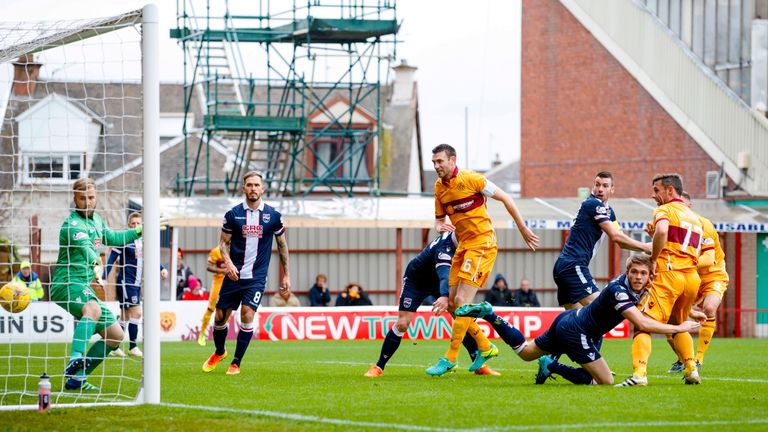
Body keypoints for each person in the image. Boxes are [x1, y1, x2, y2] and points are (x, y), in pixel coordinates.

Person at [455, 255, 703, 385]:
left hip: (569, 320)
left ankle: (490, 314)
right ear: (627, 272)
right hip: (578, 331)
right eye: (634, 272)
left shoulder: (642, 286)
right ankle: (551, 366)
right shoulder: (619, 291)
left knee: (525, 351)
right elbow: (644, 323)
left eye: (643, 273)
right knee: (604, 381)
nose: (638, 277)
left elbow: (661, 302)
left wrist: (689, 311)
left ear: (649, 275)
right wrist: (679, 327)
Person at [426, 143, 539, 376]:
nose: (436, 166)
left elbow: (506, 198)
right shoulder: (439, 188)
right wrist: (440, 226)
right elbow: (438, 219)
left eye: (440, 161)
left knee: (462, 302)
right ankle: (485, 347)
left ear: (453, 160)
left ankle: (450, 357)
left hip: (482, 243)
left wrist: (522, 228)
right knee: (454, 306)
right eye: (434, 162)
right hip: (463, 246)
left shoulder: (473, 180)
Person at [50, 178, 151, 391]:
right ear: (75, 199)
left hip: (83, 286)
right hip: (66, 283)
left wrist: (140, 231)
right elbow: (85, 247)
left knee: (116, 336)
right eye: (82, 198)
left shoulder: (96, 220)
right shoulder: (72, 224)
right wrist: (95, 261)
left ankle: (78, 379)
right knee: (93, 308)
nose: (87, 202)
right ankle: (75, 359)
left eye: (91, 197)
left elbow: (112, 236)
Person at [364, 232, 500, 378]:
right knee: (403, 323)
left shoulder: (461, 240)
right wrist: (444, 295)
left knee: (461, 315)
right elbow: (444, 275)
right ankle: (378, 367)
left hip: (439, 282)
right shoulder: (445, 249)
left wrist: (439, 223)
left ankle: (479, 365)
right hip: (416, 281)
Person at [618, 173, 704, 386]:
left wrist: (654, 259)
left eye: (656, 190)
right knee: (679, 324)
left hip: (669, 275)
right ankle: (692, 370)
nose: (653, 195)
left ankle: (639, 374)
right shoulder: (694, 217)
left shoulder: (664, 210)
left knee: (643, 324)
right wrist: (655, 235)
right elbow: (677, 242)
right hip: (691, 278)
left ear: (670, 190)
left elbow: (663, 231)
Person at [202, 171, 291, 375]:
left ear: (263, 189)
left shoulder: (273, 216)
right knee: (220, 318)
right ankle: (219, 351)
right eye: (249, 185)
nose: (253, 188)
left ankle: (236, 362)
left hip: (256, 279)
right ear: (243, 188)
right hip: (234, 275)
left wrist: (286, 275)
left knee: (247, 313)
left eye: (256, 185)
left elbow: (282, 246)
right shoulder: (233, 215)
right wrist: (229, 263)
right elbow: (223, 244)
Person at [553, 172, 651, 310]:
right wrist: (646, 247)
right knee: (599, 311)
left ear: (612, 189)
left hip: (566, 265)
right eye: (597, 185)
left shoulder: (609, 211)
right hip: (573, 265)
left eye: (605, 186)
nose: (600, 189)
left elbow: (621, 239)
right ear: (593, 186)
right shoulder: (593, 203)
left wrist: (645, 248)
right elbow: (615, 237)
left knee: (574, 324)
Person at [663, 192, 729, 373]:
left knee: (709, 308)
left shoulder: (704, 224)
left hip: (712, 274)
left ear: (689, 206)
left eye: (682, 204)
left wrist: (682, 263)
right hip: (688, 274)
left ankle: (698, 358)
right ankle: (683, 358)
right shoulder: (669, 224)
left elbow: (709, 259)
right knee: (671, 317)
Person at [104, 212, 168, 358]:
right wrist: (103, 277)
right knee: (137, 312)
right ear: (128, 226)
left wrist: (162, 268)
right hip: (126, 283)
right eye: (133, 224)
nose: (135, 226)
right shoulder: (125, 240)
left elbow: (152, 258)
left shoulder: (144, 242)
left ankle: (114, 346)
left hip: (136, 284)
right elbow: (111, 259)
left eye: (138, 223)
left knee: (125, 316)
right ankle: (133, 346)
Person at [198, 245, 226, 346]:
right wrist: (222, 271)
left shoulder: (237, 248)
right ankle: (202, 333)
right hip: (218, 282)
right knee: (211, 308)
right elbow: (209, 266)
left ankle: (222, 336)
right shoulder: (216, 251)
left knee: (227, 310)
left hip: (231, 282)